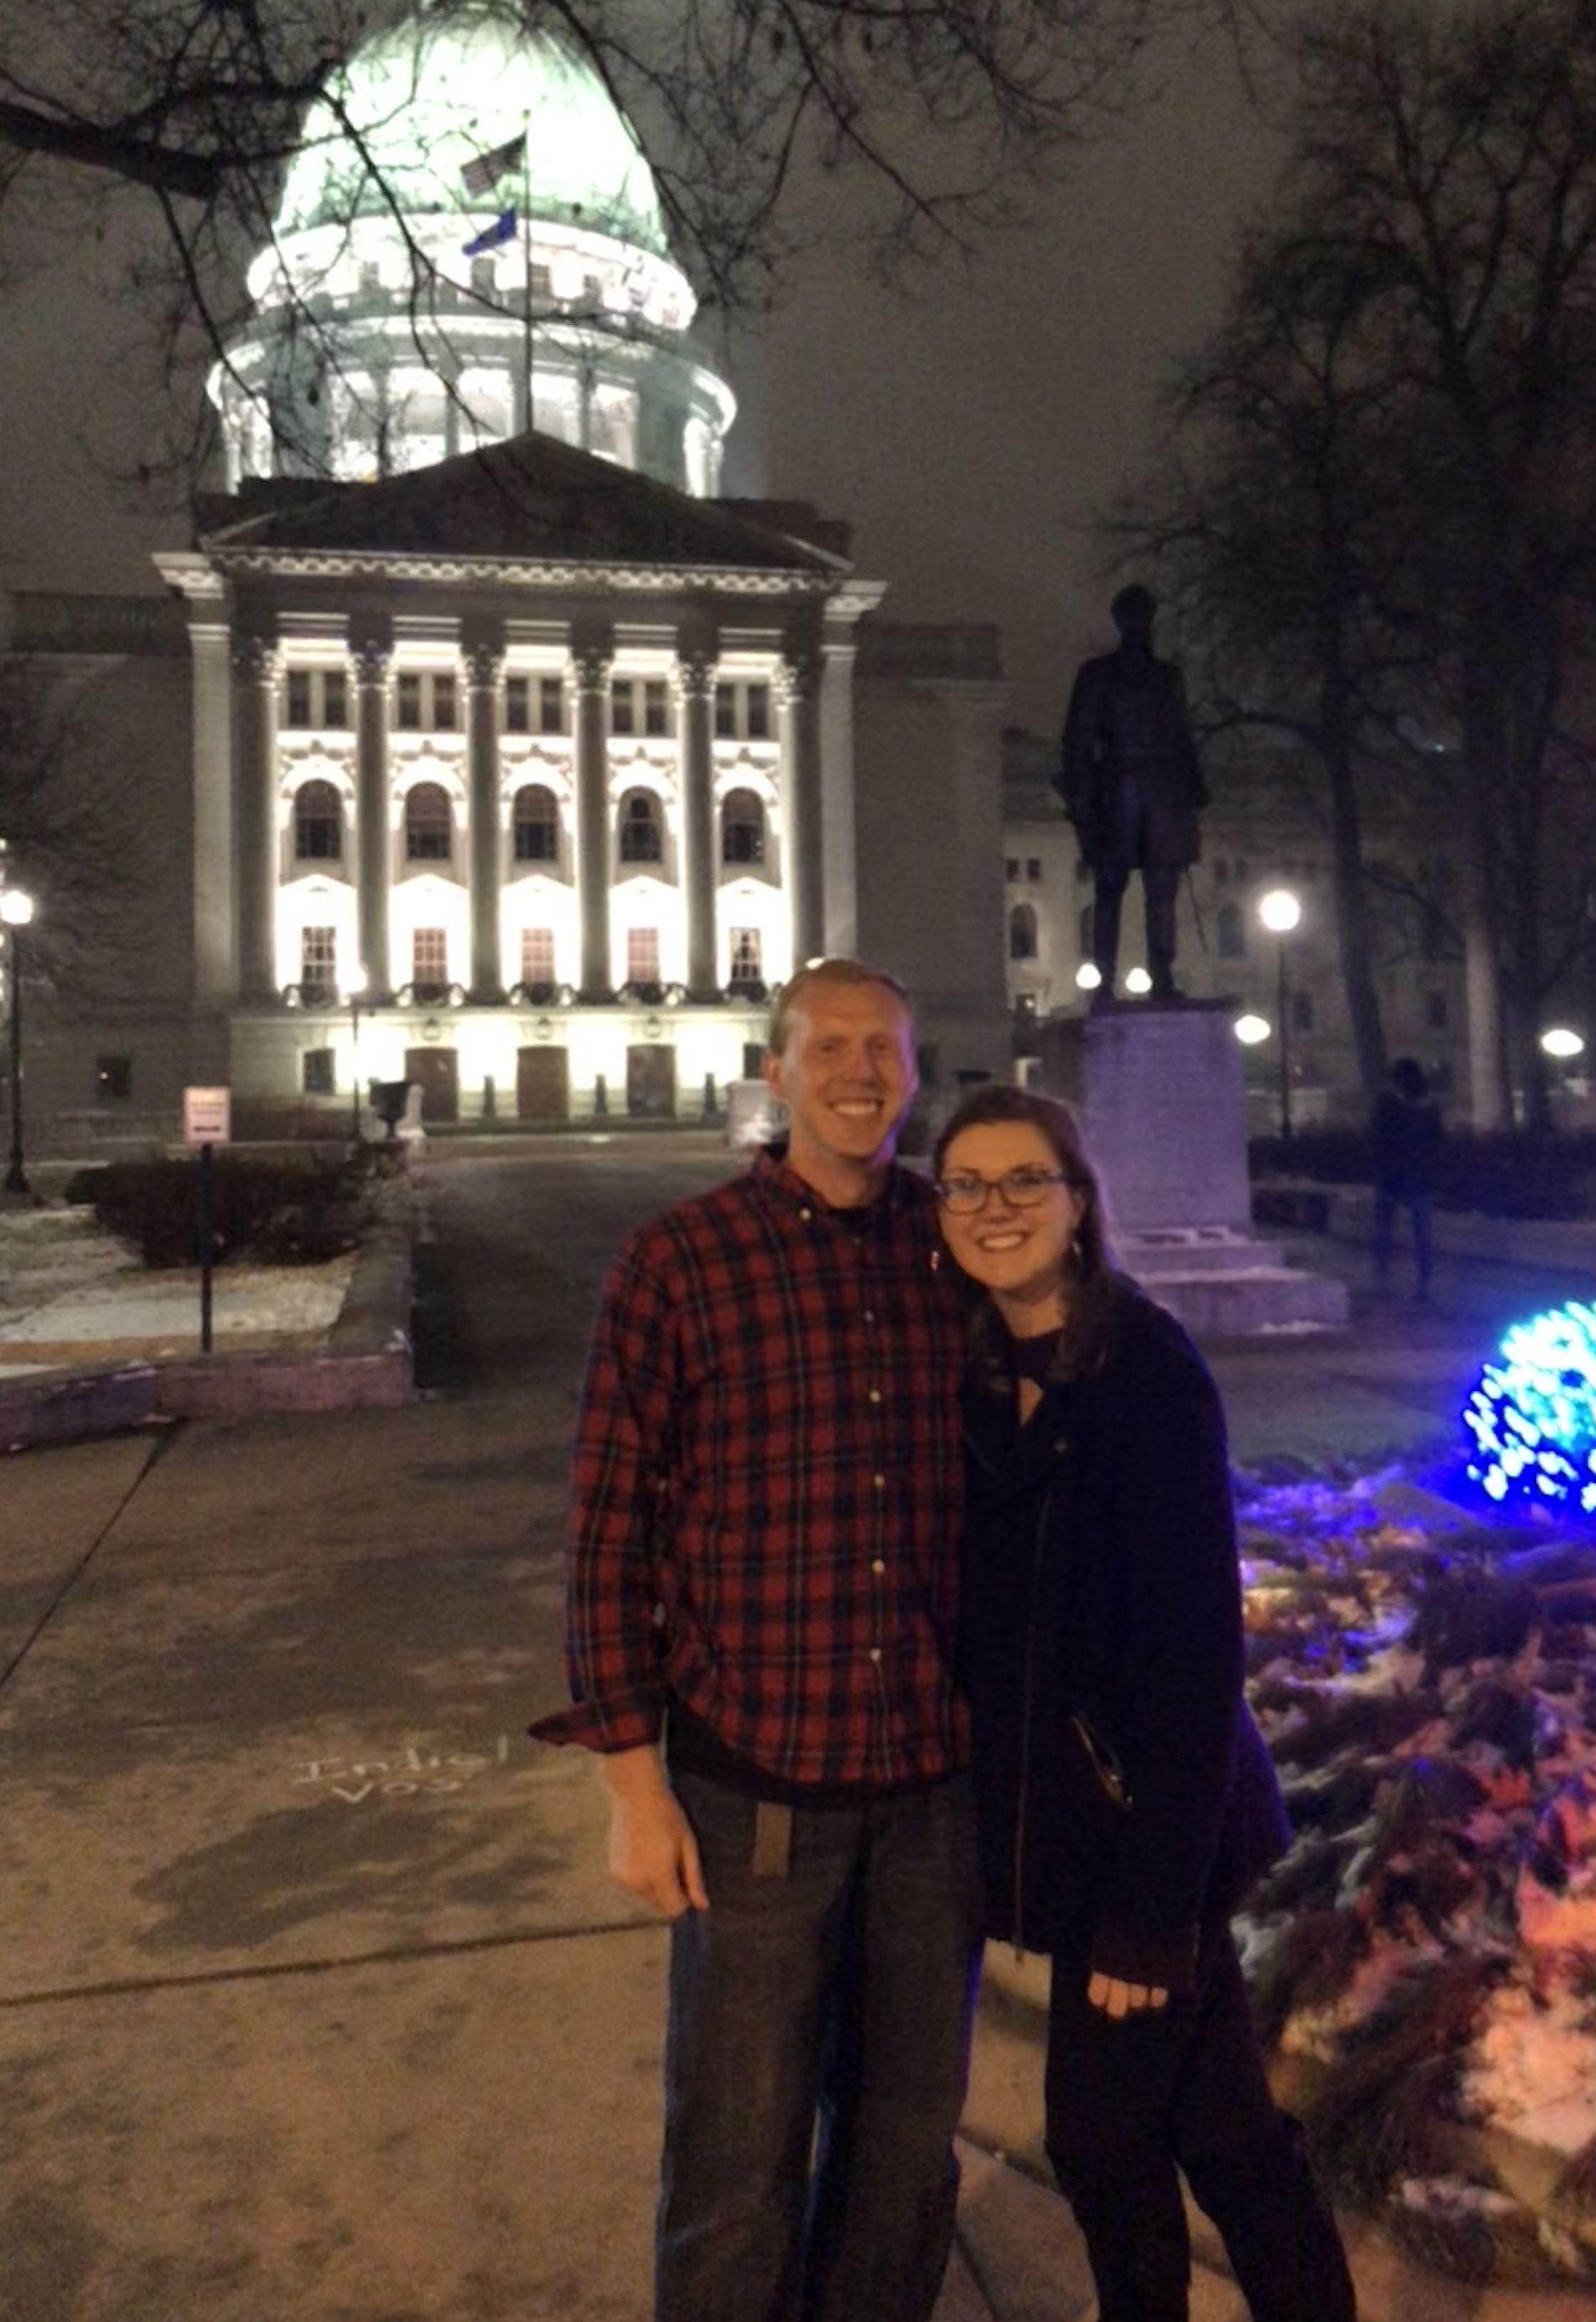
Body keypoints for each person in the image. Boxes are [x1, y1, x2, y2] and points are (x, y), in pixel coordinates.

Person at [530, 960, 981, 2322]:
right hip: (755, 1794)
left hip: (931, 1795)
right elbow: (610, 1528)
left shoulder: (950, 1247)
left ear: (912, 1073)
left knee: (905, 2155)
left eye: (884, 1050)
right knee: (739, 2156)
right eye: (828, 1046)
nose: (859, 1071)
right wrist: (629, 1782)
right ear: (775, 1071)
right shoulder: (681, 1259)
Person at [932, 1084, 1358, 2322]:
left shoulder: (1144, 1369)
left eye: (1025, 1181)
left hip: (1141, 1835)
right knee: (1220, 2126)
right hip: (1064, 1824)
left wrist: (1149, 1910)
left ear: (1077, 1205)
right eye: (965, 1184)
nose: (993, 1207)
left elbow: (1190, 1654)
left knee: (1102, 2137)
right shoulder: (968, 1372)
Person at [1056, 584, 1210, 1005]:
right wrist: (1083, 801)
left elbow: (1181, 737)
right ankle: (1105, 979)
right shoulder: (1098, 675)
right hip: (1119, 789)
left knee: (1162, 886)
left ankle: (1162, 973)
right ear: (1122, 621)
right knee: (1111, 884)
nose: (1142, 625)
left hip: (1160, 792)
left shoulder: (1166, 677)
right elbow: (1078, 741)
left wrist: (1194, 790)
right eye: (1135, 617)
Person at [1369, 1057, 1443, 1300]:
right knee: (1422, 1234)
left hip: (1392, 1177)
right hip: (1421, 1177)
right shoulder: (1429, 1107)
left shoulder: (1387, 1105)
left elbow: (1378, 1140)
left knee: (1385, 1230)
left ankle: (1383, 1279)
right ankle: (1424, 1282)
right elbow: (1437, 1142)